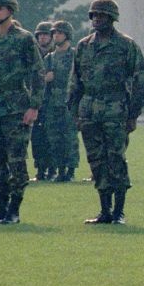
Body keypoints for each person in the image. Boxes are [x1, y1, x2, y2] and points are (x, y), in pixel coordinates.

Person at [68, 0, 144, 225]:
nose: (96, 19)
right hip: (89, 111)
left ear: (112, 18)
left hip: (115, 110)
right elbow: (75, 81)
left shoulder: (126, 46)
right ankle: (104, 209)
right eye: (93, 15)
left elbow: (140, 80)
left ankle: (119, 211)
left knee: (116, 159)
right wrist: (75, 111)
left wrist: (132, 114)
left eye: (101, 15)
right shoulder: (84, 46)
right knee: (96, 161)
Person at [0, 0, 43, 223]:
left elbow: (37, 74)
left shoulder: (24, 39)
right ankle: (1, 209)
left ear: (11, 10)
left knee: (16, 160)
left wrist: (33, 106)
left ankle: (14, 210)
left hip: (16, 109)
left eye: (0, 8)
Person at [41, 21, 80, 183]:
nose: (56, 36)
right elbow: (39, 79)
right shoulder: (49, 58)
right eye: (54, 33)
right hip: (53, 104)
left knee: (70, 137)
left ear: (67, 35)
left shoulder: (75, 56)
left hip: (69, 103)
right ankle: (60, 169)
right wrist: (46, 79)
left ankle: (70, 170)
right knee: (54, 138)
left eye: (60, 33)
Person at [31, 20, 55, 180]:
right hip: (36, 102)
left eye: (46, 35)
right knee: (37, 138)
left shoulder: (57, 55)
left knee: (51, 137)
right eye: (40, 35)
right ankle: (40, 169)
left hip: (52, 102)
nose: (42, 38)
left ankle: (52, 169)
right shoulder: (33, 54)